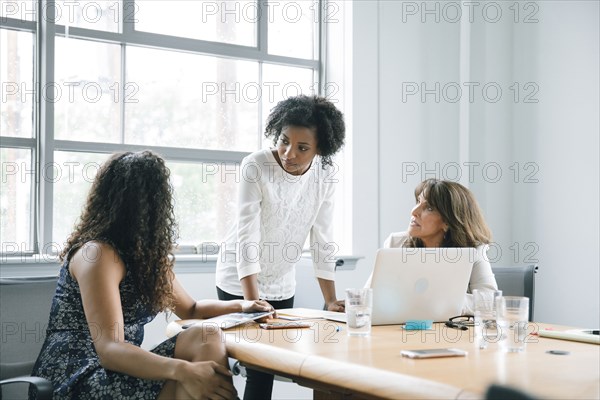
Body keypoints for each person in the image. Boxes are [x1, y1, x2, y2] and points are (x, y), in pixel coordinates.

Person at [31, 151, 273, 400]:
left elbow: (192, 310)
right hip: (76, 377)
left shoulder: (145, 257)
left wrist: (242, 306)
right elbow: (110, 349)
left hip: (116, 370)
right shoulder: (97, 254)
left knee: (206, 335)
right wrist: (183, 370)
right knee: (188, 383)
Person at [215, 95, 346, 399]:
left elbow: (322, 236)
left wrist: (332, 300)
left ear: (320, 149)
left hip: (282, 281)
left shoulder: (325, 175)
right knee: (244, 361)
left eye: (303, 148)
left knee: (265, 371)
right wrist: (252, 303)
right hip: (239, 278)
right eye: (284, 141)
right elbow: (247, 234)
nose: (289, 153)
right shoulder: (256, 165)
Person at [381, 178, 498, 314]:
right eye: (418, 201)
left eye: (429, 208)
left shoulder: (474, 250)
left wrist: (442, 300)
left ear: (448, 222)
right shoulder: (395, 243)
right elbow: (371, 297)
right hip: (400, 327)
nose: (414, 211)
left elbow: (491, 302)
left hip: (452, 331)